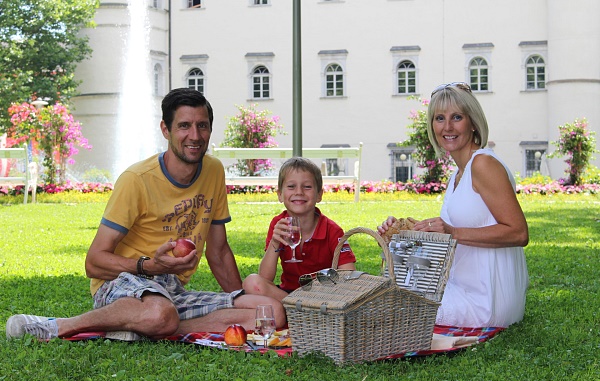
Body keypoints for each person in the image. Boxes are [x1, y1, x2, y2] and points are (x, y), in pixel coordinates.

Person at [6, 88, 286, 341]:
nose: (195, 136)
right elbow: (94, 263)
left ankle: (146, 327)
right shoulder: (136, 179)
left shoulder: (213, 170)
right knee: (159, 313)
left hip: (171, 290)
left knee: (269, 312)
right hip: (122, 282)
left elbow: (219, 251)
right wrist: (149, 267)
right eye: (184, 126)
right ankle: (62, 326)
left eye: (202, 126)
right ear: (165, 129)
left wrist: (238, 299)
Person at [378, 82, 529, 328]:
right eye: (440, 118)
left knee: (388, 306)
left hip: (486, 301)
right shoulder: (458, 174)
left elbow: (519, 233)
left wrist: (453, 232)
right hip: (460, 286)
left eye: (456, 117)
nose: (447, 127)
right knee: (389, 292)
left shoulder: (483, 165)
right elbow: (456, 227)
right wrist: (410, 229)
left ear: (473, 122)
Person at [242, 157, 356, 301]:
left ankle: (296, 312)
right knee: (251, 282)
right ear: (280, 195)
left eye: (307, 187)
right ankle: (299, 310)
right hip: (288, 295)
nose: (299, 192)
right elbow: (265, 278)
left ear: (319, 195)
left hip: (323, 297)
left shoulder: (332, 230)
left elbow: (349, 275)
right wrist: (275, 243)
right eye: (291, 186)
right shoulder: (279, 224)